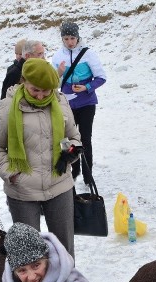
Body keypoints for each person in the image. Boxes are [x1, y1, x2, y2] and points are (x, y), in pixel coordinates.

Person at [0, 58, 81, 257]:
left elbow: (72, 137)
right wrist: (12, 174)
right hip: (23, 190)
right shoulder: (8, 105)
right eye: (35, 89)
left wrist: (68, 153)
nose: (40, 95)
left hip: (59, 183)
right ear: (24, 81)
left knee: (64, 250)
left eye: (46, 90)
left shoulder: (60, 100)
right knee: (29, 254)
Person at [51, 20, 106, 186]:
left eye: (72, 38)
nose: (69, 42)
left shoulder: (88, 54)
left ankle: (88, 174)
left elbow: (101, 77)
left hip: (87, 103)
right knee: (66, 139)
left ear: (78, 37)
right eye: (66, 38)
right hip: (66, 105)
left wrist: (86, 87)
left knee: (85, 138)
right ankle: (73, 170)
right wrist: (58, 73)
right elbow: (53, 82)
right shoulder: (58, 56)